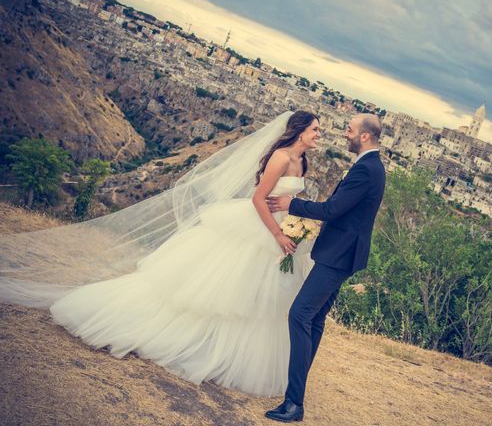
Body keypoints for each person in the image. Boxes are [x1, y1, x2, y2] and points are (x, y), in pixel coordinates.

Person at [0, 110, 321, 397]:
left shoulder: (303, 161)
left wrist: (294, 224)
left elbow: (289, 198)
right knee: (218, 290)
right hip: (261, 229)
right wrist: (278, 233)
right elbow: (258, 199)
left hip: (282, 232)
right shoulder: (280, 157)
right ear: (300, 131)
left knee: (252, 298)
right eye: (315, 130)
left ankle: (223, 349)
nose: (318, 135)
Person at [264, 113, 386, 422]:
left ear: (365, 137)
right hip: (343, 254)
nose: (345, 134)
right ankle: (296, 393)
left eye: (350, 130)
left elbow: (332, 210)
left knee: (299, 315)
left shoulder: (366, 170)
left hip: (338, 256)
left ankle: (294, 403)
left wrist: (291, 205)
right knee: (314, 320)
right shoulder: (371, 167)